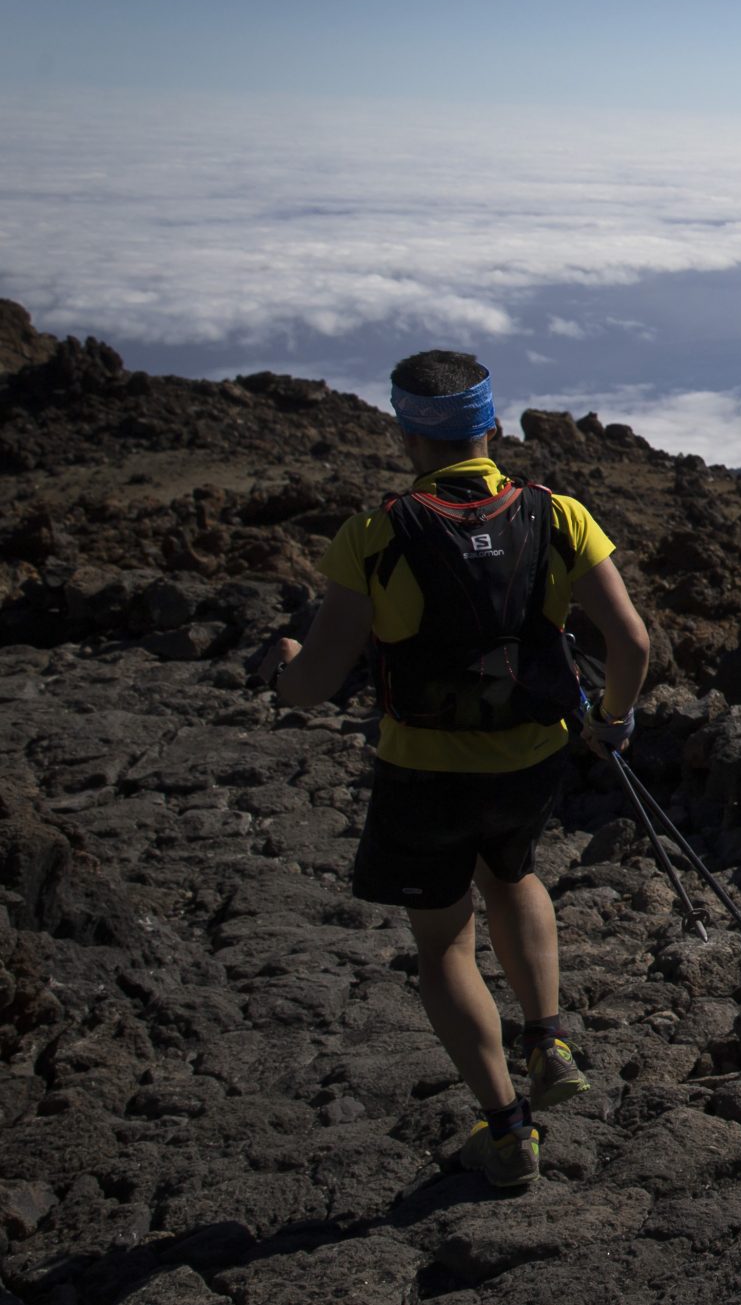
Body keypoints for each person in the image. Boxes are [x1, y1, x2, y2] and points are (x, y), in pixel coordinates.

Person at [251, 350, 651, 1189]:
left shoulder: (375, 535)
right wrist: (612, 722)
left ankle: (507, 1133)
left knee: (443, 945)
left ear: (406, 433)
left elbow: (314, 684)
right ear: (492, 425)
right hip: (533, 758)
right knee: (513, 871)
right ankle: (547, 1040)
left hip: (425, 773)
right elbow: (633, 640)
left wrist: (279, 665)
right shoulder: (558, 514)